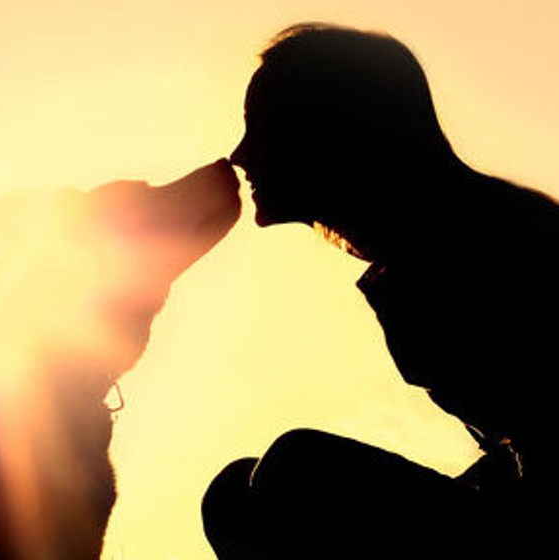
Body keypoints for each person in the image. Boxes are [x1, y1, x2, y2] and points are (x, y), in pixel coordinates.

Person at [202, 23, 559, 559]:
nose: (240, 154)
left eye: (261, 127)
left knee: (294, 470)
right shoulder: (428, 244)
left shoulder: (468, 244)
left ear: (327, 131)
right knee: (234, 497)